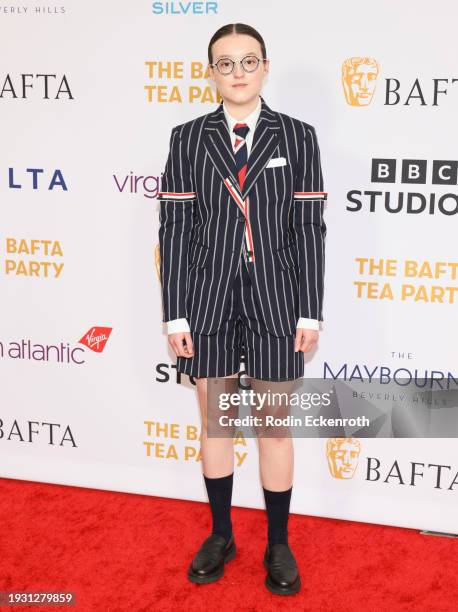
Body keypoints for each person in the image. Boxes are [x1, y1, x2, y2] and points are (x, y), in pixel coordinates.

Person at [158, 22, 327, 596]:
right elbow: (176, 229)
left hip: (279, 302)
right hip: (206, 300)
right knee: (217, 425)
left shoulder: (299, 136)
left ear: (265, 66)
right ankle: (223, 534)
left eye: (247, 61)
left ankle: (278, 543)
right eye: (225, 63)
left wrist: (311, 310)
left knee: (274, 427)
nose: (237, 71)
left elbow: (309, 229)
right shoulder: (187, 138)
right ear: (210, 71)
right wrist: (175, 312)